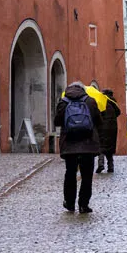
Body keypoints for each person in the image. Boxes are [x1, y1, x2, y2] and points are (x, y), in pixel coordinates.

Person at [53, 81, 102, 213]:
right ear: (83, 89)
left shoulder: (63, 102)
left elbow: (56, 122)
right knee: (86, 175)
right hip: (88, 144)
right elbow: (99, 121)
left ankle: (69, 203)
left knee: (70, 173)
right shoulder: (90, 101)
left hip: (69, 145)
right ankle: (83, 204)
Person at [94, 88, 120, 174]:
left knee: (101, 146)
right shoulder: (114, 103)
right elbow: (118, 112)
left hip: (102, 127)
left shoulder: (102, 101)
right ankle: (111, 166)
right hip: (112, 127)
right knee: (110, 146)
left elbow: (97, 113)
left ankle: (101, 164)